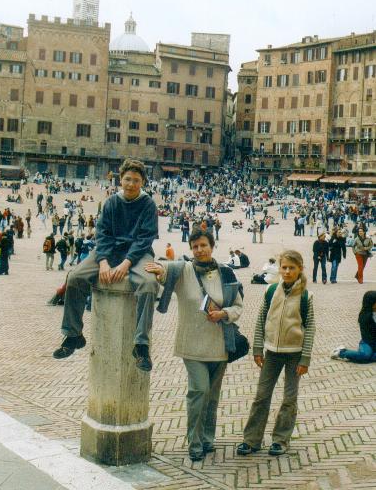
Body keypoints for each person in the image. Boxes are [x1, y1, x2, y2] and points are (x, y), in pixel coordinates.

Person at [52, 159, 159, 372]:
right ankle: (73, 334)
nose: (130, 184)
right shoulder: (111, 202)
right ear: (120, 179)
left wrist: (126, 264)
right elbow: (102, 234)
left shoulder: (148, 204)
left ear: (143, 182)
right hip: (109, 250)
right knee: (75, 277)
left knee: (148, 283)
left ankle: (141, 344)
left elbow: (145, 238)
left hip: (138, 253)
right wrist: (103, 262)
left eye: (136, 180)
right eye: (127, 179)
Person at [145, 230, 243, 461]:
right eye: (195, 246)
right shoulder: (183, 270)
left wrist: (224, 313)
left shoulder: (227, 273)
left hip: (220, 345)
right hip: (192, 344)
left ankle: (208, 438)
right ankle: (195, 441)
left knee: (212, 396)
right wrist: (160, 272)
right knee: (199, 391)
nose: (199, 250)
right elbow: (164, 270)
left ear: (212, 245)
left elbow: (238, 306)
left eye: (203, 245)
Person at [237, 250, 315, 457]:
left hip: (294, 355)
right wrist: (257, 349)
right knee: (261, 396)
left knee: (289, 398)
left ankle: (280, 440)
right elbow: (261, 320)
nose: (287, 271)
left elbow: (310, 328)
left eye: (292, 268)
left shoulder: (306, 296)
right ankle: (252, 439)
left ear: (300, 269)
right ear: (279, 269)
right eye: (284, 267)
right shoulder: (271, 291)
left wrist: (305, 358)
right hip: (271, 352)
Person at [331, 291, 376, 363]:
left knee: (367, 357)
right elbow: (367, 336)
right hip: (367, 342)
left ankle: (366, 356)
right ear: (371, 303)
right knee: (364, 355)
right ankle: (341, 352)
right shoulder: (364, 317)